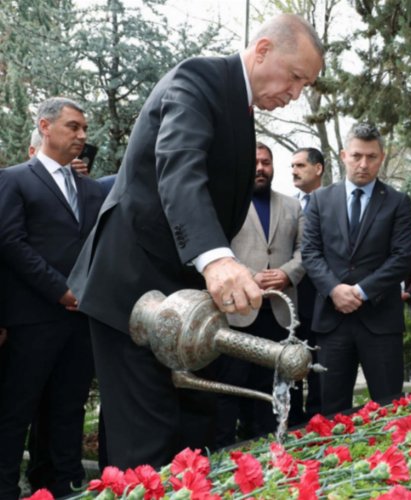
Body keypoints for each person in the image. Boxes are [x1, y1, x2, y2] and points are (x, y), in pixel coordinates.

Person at [67, 14, 324, 469]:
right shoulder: (197, 80)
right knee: (144, 446)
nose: (296, 93)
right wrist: (216, 260)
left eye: (305, 85)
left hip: (184, 303)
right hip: (133, 291)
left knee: (193, 440)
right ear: (263, 50)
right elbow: (179, 170)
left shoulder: (242, 113)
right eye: (296, 77)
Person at [0, 97, 106, 499]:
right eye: (73, 127)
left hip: (79, 320)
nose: (81, 135)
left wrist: (87, 292)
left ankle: (61, 487)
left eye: (83, 129)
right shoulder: (14, 179)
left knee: (68, 409)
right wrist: (60, 290)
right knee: (15, 412)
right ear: (45, 127)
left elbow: (100, 247)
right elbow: (10, 243)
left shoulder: (91, 190)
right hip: (32, 318)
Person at [301, 123, 411, 415]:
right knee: (331, 413)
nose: (363, 164)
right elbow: (311, 253)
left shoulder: (397, 202)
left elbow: (402, 257)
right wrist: (334, 290)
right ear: (343, 155)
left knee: (391, 411)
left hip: (380, 322)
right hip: (332, 321)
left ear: (382, 157)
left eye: (372, 157)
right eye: (357, 156)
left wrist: (362, 292)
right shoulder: (319, 200)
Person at [216, 142, 306, 444]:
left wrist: (286, 274)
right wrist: (246, 275)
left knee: (274, 388)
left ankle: (271, 449)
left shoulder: (292, 206)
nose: (260, 168)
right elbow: (218, 249)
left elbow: (304, 250)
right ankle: (227, 451)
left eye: (266, 163)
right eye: (255, 162)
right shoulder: (228, 204)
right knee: (232, 386)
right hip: (238, 313)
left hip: (279, 315)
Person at [291, 146, 325, 417]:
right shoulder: (288, 205)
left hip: (324, 299)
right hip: (290, 301)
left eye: (301, 165)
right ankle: (290, 420)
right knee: (291, 362)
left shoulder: (334, 203)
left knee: (320, 365)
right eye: (292, 166)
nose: (294, 171)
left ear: (318, 168)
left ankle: (318, 418)